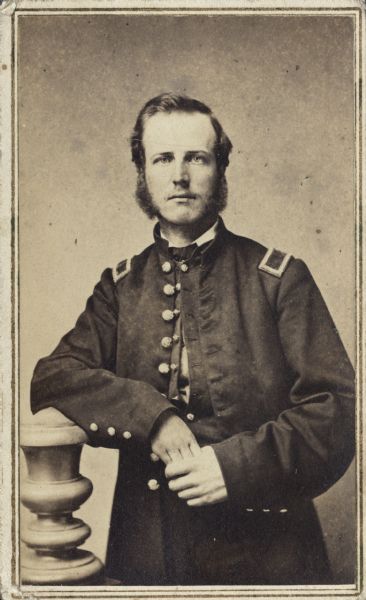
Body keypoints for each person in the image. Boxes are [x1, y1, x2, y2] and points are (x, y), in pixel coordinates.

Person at [31, 92, 355, 586]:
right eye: (163, 158)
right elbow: (52, 377)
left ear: (220, 167)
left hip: (269, 555)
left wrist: (235, 467)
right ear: (142, 171)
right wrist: (152, 417)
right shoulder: (120, 286)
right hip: (149, 553)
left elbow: (338, 410)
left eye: (196, 158)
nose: (179, 175)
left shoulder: (278, 278)